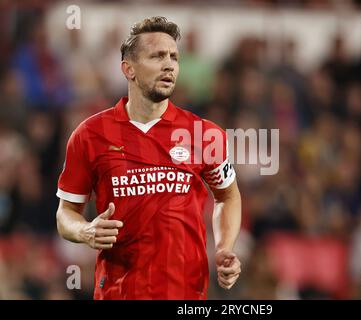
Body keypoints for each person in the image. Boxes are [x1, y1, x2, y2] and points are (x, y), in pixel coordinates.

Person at [55, 16, 242, 300]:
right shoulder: (90, 134)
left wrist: (224, 247)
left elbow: (227, 196)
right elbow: (66, 213)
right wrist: (86, 231)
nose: (169, 65)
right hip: (118, 293)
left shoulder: (204, 134)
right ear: (128, 69)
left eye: (173, 57)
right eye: (157, 56)